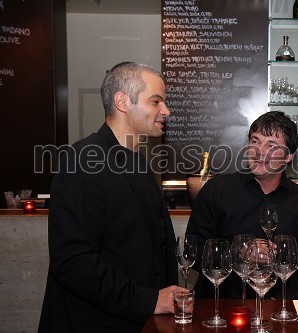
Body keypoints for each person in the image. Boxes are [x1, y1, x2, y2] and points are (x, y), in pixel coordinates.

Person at [39, 62, 187, 333]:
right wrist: (150, 299)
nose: (166, 111)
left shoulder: (139, 165)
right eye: (156, 101)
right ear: (122, 102)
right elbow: (74, 262)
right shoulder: (82, 160)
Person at [185, 111, 298, 300]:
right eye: (255, 141)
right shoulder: (216, 190)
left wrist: (279, 303)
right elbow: (192, 251)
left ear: (289, 156)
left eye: (272, 145)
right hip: (220, 306)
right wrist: (237, 253)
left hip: (278, 308)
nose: (260, 151)